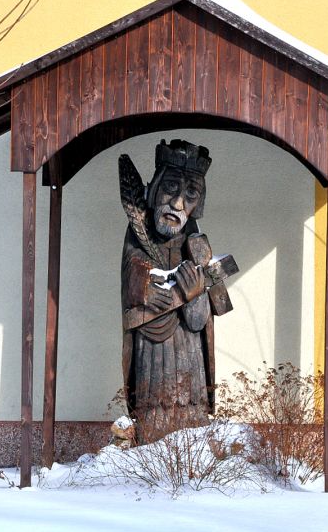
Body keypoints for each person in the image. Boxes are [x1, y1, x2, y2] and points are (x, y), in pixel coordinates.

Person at [120, 139, 214, 436]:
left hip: (189, 354)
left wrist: (195, 294)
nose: (177, 204)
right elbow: (131, 281)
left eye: (190, 194)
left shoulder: (196, 243)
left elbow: (200, 320)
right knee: (153, 417)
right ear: (155, 189)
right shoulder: (138, 234)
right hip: (151, 349)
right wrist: (143, 288)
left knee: (192, 419)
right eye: (171, 187)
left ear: (198, 204)